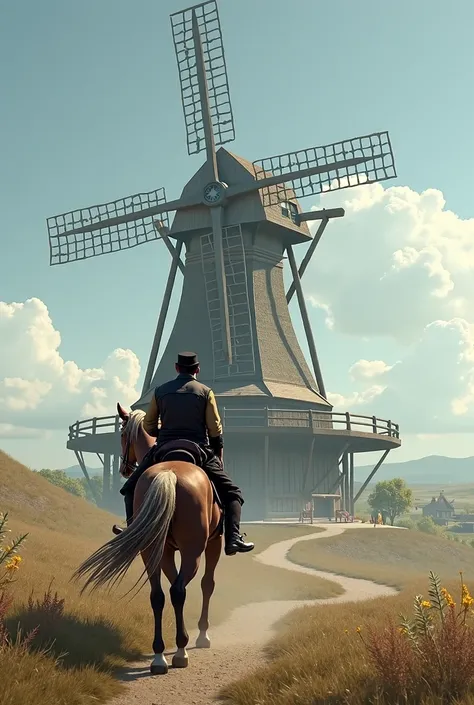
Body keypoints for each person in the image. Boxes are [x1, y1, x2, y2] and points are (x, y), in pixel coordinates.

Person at [113, 352, 255, 556]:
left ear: (177, 368)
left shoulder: (160, 392)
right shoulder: (206, 392)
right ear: (197, 370)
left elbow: (149, 425)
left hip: (164, 447)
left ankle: (132, 531)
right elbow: (215, 429)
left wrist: (162, 433)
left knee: (129, 489)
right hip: (197, 448)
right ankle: (233, 538)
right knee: (233, 493)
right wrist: (217, 454)